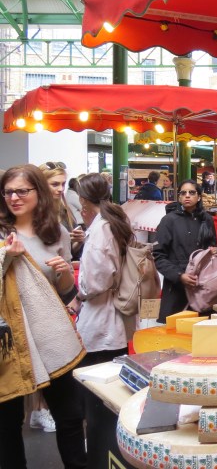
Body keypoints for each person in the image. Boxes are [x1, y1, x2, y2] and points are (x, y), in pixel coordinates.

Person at [0, 164, 87, 469]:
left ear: (38, 191)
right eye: (8, 191)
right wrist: (5, 257)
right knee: (7, 422)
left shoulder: (57, 233)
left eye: (22, 190)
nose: (14, 197)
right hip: (9, 340)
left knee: (71, 415)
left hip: (49, 335)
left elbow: (62, 293)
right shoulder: (0, 233)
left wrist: (64, 273)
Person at [73, 173, 136, 468]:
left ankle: (98, 455)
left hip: (100, 323)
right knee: (109, 396)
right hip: (114, 320)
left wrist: (79, 290)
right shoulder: (112, 222)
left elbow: (95, 282)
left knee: (96, 402)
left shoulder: (101, 230)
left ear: (84, 200)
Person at [153, 179, 217, 323]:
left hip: (202, 286)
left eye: (192, 192)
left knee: (201, 332)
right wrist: (179, 275)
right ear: (179, 197)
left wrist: (214, 252)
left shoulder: (206, 220)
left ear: (199, 197)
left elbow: (213, 246)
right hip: (176, 287)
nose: (187, 196)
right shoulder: (168, 221)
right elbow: (158, 255)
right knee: (175, 334)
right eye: (183, 193)